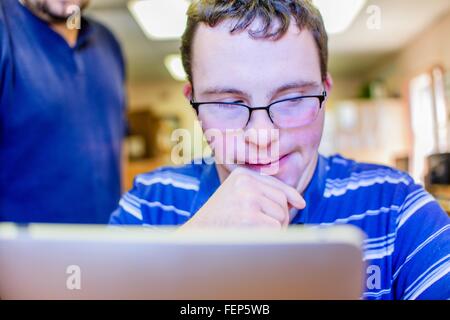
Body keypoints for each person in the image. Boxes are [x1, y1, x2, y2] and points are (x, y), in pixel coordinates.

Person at [109, 0, 449, 300]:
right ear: (193, 103)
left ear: (324, 94)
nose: (261, 135)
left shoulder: (397, 209)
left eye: (292, 99)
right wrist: (187, 254)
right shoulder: (147, 208)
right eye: (228, 102)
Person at [0, 0, 126, 223]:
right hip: (22, 255)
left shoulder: (108, 43)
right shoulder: (6, 29)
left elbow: (116, 151)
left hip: (107, 248)